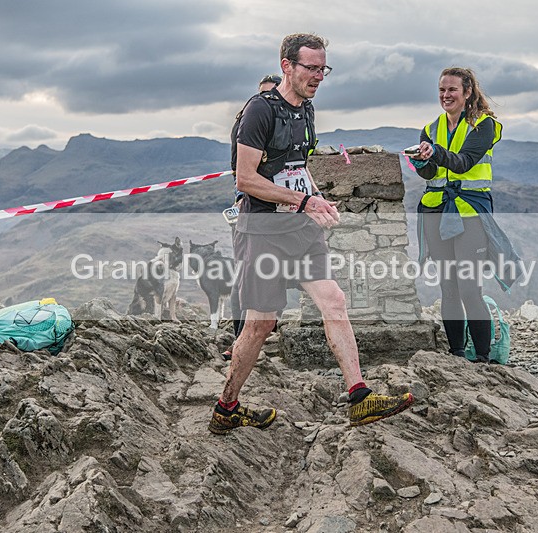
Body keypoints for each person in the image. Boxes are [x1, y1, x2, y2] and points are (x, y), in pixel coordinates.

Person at [209, 33, 415, 434]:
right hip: (263, 229)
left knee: (334, 300)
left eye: (324, 69)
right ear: (287, 65)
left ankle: (359, 396)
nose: (319, 76)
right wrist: (303, 203)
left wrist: (317, 198)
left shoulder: (307, 110)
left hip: (300, 227)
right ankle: (227, 405)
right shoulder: (259, 111)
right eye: (311, 68)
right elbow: (245, 178)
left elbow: (295, 166)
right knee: (260, 324)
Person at [409, 67, 507, 364]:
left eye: (452, 89)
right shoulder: (431, 128)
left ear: (467, 92)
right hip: (436, 212)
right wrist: (421, 160)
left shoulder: (483, 125)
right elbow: (429, 173)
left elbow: (463, 163)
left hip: (469, 213)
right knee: (448, 285)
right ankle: (456, 354)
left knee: (469, 286)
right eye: (441, 89)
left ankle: (485, 357)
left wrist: (434, 152)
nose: (445, 95)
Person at [223, 73, 283, 361]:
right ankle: (239, 340)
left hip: (282, 211)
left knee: (276, 274)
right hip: (252, 209)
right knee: (245, 276)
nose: (268, 98)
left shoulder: (288, 121)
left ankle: (266, 331)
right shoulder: (248, 120)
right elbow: (238, 168)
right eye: (263, 93)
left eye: (273, 92)